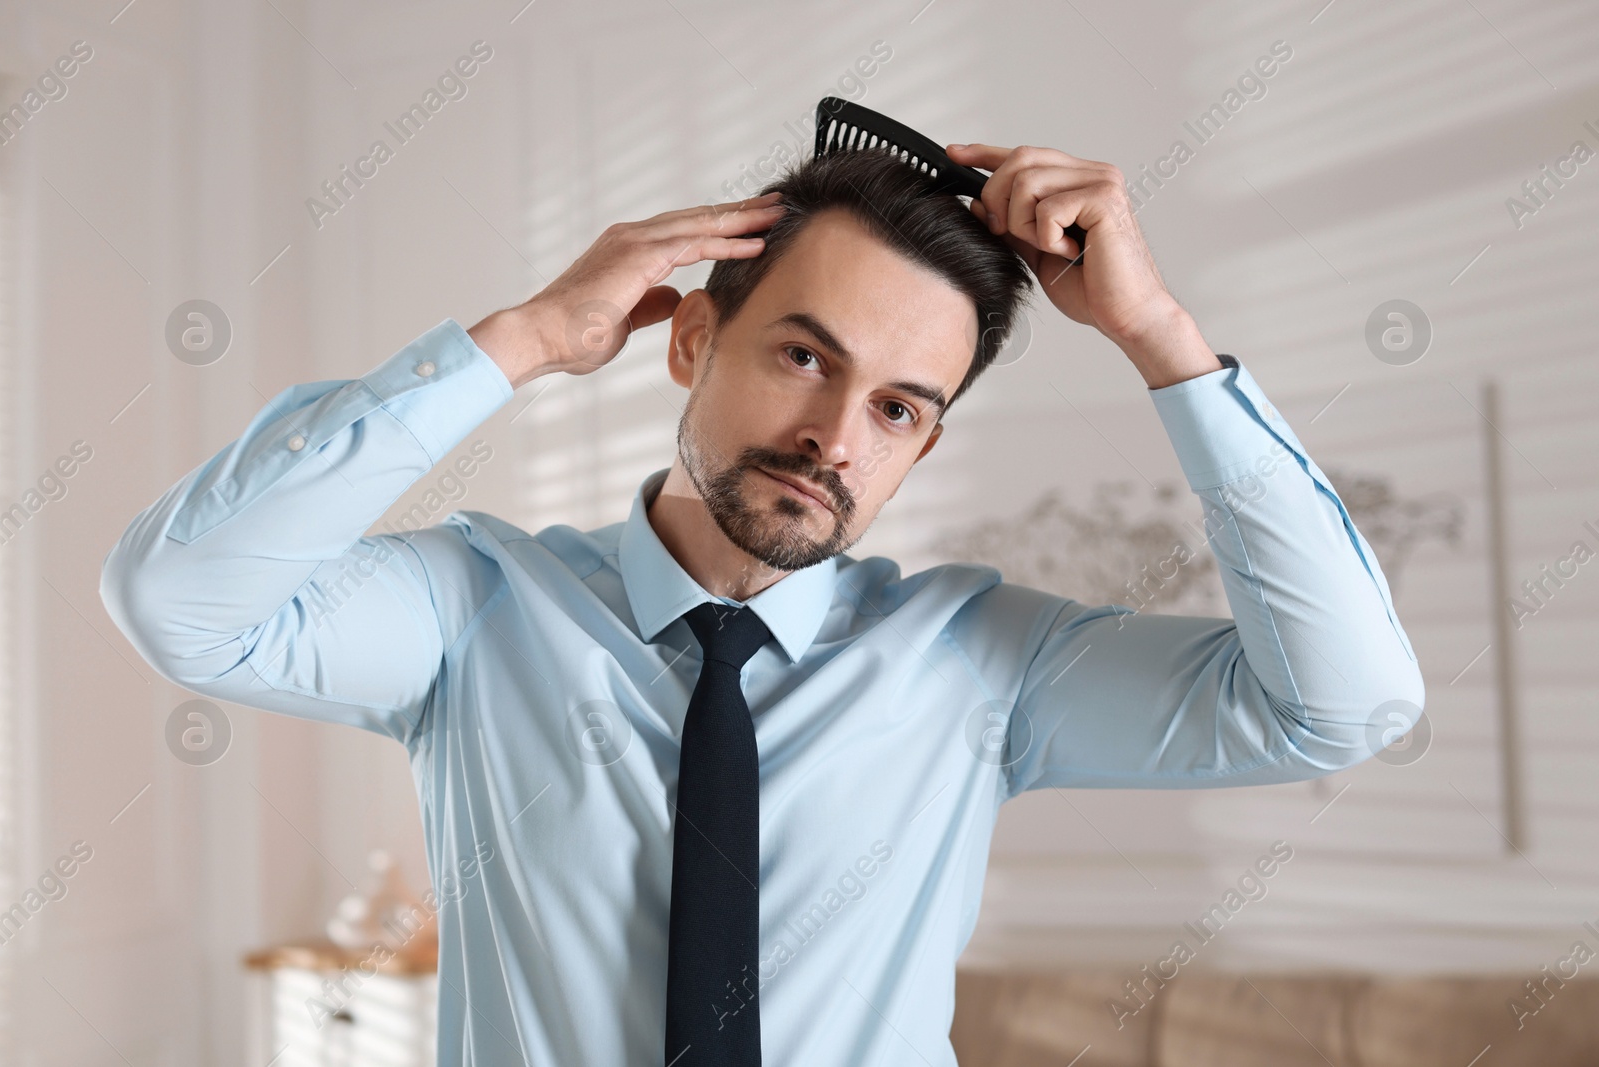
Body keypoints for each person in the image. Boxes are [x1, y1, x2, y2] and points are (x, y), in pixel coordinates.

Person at [100, 143, 1423, 1066]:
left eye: (898, 408)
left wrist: (1161, 339)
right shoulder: (471, 612)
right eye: (804, 356)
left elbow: (1345, 709)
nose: (835, 437)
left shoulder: (983, 664)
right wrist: (520, 340)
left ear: (921, 447)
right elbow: (179, 595)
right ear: (689, 341)